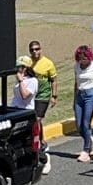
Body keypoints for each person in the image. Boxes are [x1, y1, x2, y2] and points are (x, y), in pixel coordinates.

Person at [28, 41, 57, 175]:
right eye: (32, 50)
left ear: (41, 49)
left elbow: (54, 80)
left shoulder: (48, 63)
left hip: (43, 96)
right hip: (31, 95)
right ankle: (40, 139)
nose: (35, 52)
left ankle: (41, 144)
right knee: (34, 121)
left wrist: (54, 96)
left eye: (37, 49)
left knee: (37, 119)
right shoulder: (28, 63)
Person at [73, 45, 93, 162]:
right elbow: (76, 83)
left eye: (85, 56)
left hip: (90, 95)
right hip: (80, 94)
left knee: (86, 123)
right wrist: (74, 99)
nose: (83, 59)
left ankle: (86, 150)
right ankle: (88, 138)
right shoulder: (76, 66)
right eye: (80, 57)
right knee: (79, 125)